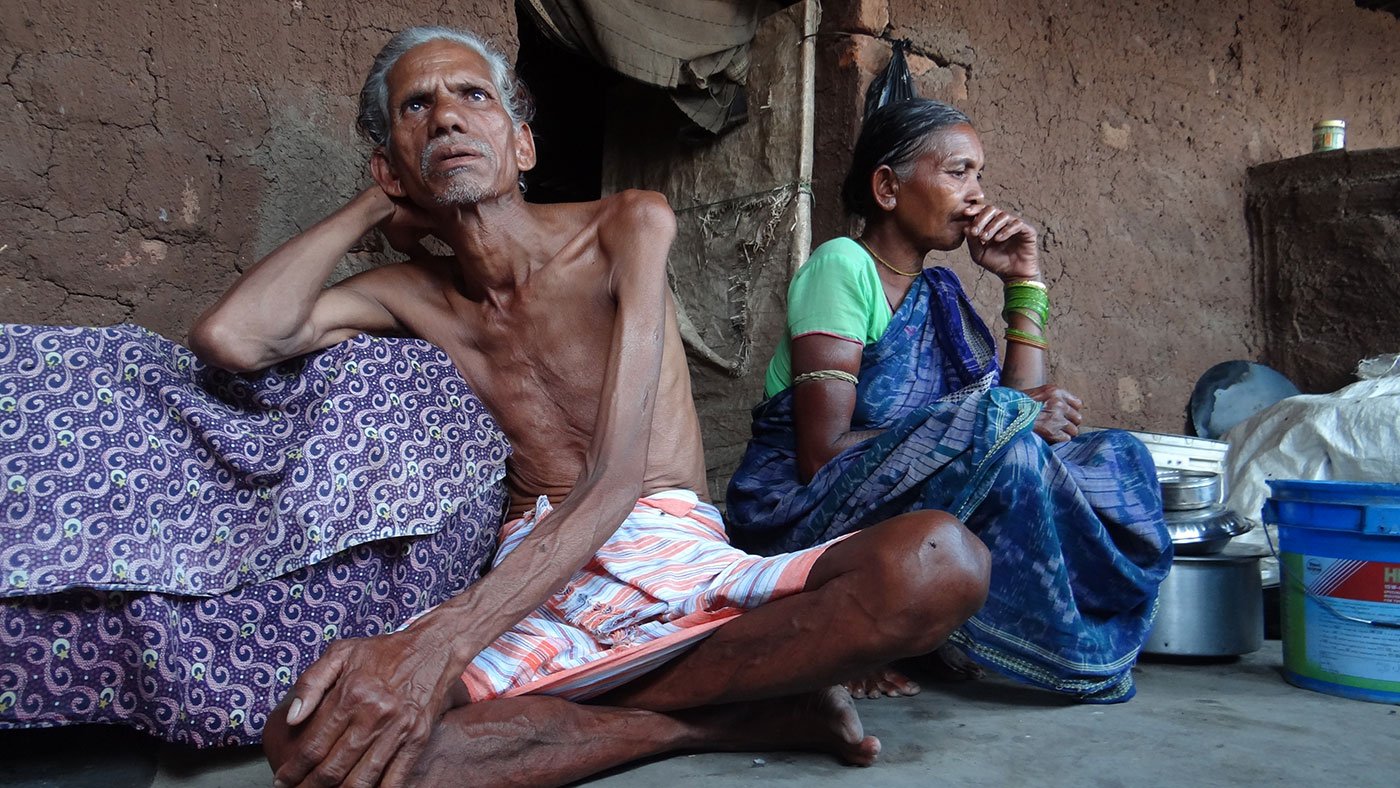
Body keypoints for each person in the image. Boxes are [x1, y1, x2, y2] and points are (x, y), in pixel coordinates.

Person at [196, 27, 997, 788]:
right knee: (311, 741)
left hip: (667, 540)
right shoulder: (411, 294)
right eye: (417, 107)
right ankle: (718, 722)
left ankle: (638, 709)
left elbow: (616, 480)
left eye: (473, 96)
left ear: (523, 146)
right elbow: (233, 337)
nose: (445, 114)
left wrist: (437, 646)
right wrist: (377, 205)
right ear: (391, 167)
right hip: (535, 578)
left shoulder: (627, 225)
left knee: (940, 563)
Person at [726, 98, 1173, 704]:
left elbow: (1017, 410)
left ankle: (948, 630)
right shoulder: (842, 266)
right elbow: (821, 455)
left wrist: (1023, 283)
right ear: (887, 187)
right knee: (1007, 445)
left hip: (911, 497)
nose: (977, 194)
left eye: (980, 175)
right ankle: (858, 628)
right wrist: (1008, 419)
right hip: (803, 509)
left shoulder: (939, 288)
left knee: (1119, 457)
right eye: (958, 172)